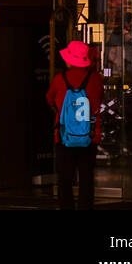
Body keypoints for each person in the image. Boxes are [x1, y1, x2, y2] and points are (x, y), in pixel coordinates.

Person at [46, 39, 103, 210]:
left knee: (65, 178)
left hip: (64, 136)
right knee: (86, 177)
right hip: (90, 135)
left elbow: (49, 98)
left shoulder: (59, 79)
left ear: (69, 59)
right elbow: (100, 99)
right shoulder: (95, 79)